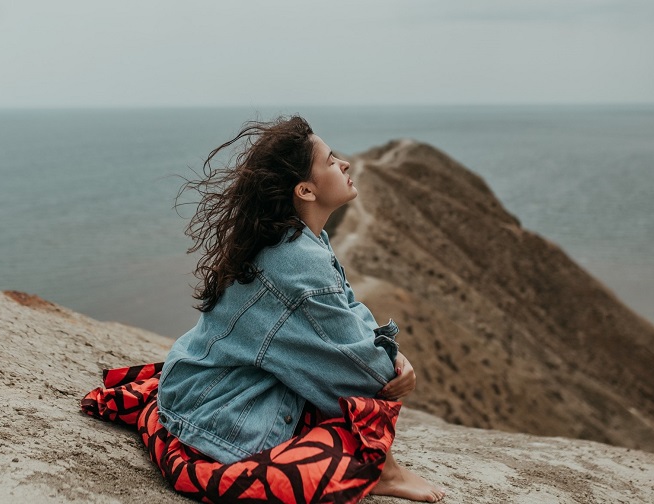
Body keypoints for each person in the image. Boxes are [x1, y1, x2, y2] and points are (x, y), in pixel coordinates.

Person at [82, 115, 445, 503]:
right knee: (369, 398)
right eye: (331, 161)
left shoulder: (295, 239)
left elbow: (346, 306)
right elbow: (365, 373)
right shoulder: (298, 261)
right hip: (217, 420)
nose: (345, 164)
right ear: (305, 190)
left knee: (347, 377)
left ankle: (380, 464)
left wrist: (388, 352)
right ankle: (384, 472)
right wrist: (392, 366)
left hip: (192, 390)